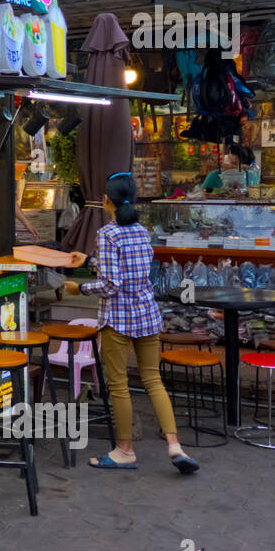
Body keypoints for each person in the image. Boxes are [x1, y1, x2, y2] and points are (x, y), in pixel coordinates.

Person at [62, 172, 199, 474]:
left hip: (118, 319)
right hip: (147, 315)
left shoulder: (108, 234)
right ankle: (175, 446)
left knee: (119, 385)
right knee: (153, 379)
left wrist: (79, 288)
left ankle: (125, 450)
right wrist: (87, 260)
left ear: (106, 200)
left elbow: (111, 283)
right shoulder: (141, 231)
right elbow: (127, 268)